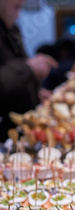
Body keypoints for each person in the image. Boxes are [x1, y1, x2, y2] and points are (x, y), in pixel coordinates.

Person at [0, 0, 57, 141]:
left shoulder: (11, 30)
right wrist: (30, 67)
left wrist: (35, 93)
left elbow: (20, 68)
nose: (19, 15)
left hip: (19, 127)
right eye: (16, 7)